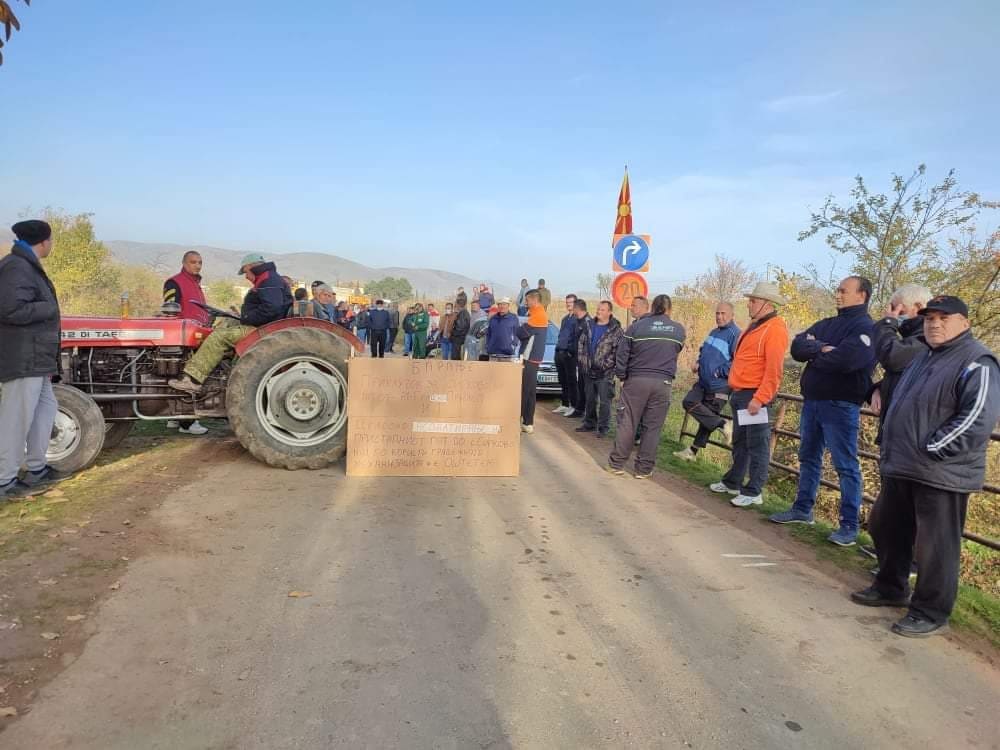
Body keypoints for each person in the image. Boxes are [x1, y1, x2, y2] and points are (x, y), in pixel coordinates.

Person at [852, 295, 999, 638]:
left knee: (935, 547)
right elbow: (902, 392)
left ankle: (931, 611)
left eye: (943, 318)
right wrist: (877, 390)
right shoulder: (924, 355)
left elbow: (977, 419)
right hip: (903, 464)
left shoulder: (978, 361)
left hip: (940, 471)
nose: (934, 324)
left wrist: (933, 448)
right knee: (886, 526)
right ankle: (891, 586)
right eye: (930, 318)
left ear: (964, 322)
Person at [770, 276, 876, 546]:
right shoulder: (827, 324)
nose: (838, 295)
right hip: (813, 401)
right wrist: (821, 348)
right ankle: (803, 509)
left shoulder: (866, 327)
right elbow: (797, 347)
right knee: (808, 456)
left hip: (841, 405)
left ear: (861, 296)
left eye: (844, 291)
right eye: (838, 290)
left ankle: (849, 525)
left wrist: (816, 351)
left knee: (845, 465)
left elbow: (848, 360)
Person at [1, 220, 66, 498]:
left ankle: (37, 467)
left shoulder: (26, 265)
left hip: (36, 357)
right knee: (17, 418)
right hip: (23, 357)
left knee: (44, 411)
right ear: (43, 241)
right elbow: (10, 310)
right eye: (51, 240)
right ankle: (5, 479)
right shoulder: (17, 267)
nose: (51, 244)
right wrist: (48, 307)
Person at [709, 282, 789, 506]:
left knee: (757, 444)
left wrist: (760, 398)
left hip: (754, 394)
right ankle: (733, 481)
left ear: (766, 304)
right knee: (741, 441)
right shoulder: (755, 326)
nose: (749, 304)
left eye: (753, 301)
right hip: (741, 392)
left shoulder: (774, 329)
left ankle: (754, 491)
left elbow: (774, 370)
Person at [169, 254, 291, 393]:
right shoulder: (268, 278)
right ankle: (216, 369)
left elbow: (272, 308)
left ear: (251, 267)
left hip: (263, 329)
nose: (246, 277)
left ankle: (193, 380)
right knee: (226, 322)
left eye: (245, 272)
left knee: (219, 337)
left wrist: (246, 317)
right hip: (263, 325)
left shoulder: (268, 280)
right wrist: (241, 316)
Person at [607, 294, 686, 479]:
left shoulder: (635, 327)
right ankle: (643, 469)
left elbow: (622, 354)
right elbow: (677, 349)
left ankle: (617, 464)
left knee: (628, 423)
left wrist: (622, 376)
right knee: (652, 427)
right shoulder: (678, 330)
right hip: (663, 383)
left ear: (652, 308)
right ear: (669, 309)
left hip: (636, 381)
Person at [674, 302, 740, 460]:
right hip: (704, 381)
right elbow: (704, 349)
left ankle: (692, 452)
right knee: (690, 403)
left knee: (707, 419)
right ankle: (722, 424)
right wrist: (698, 362)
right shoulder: (714, 332)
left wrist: (719, 372)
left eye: (723, 313)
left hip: (720, 386)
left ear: (732, 315)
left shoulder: (736, 334)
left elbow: (738, 361)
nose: (719, 316)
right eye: (717, 313)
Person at [868, 284, 932, 443]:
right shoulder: (912, 339)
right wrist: (878, 389)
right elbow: (904, 375)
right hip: (896, 434)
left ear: (918, 307)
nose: (895, 316)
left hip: (910, 438)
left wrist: (887, 323)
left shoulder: (927, 338)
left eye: (899, 311)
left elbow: (893, 358)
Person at [162, 251, 210, 436]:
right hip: (183, 338)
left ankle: (174, 418)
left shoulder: (196, 285)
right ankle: (187, 423)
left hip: (196, 335)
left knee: (182, 377)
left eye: (199, 262)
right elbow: (171, 310)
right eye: (193, 262)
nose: (197, 265)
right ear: (184, 263)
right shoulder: (174, 282)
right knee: (188, 378)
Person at [576, 300, 624, 438]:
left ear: (609, 312)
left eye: (602, 310)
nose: (599, 312)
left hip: (605, 373)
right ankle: (589, 423)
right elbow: (581, 344)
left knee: (605, 402)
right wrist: (584, 362)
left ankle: (603, 428)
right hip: (588, 370)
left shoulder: (616, 330)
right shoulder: (589, 325)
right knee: (590, 399)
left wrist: (604, 366)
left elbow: (617, 352)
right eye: (598, 309)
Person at [553, 294, 580, 415]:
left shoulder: (577, 319)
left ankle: (573, 405)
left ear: (576, 303)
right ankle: (564, 404)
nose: (569, 304)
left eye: (571, 302)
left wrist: (570, 351)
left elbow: (576, 338)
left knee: (571, 381)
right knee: (562, 380)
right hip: (559, 352)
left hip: (570, 354)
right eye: (567, 302)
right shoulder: (565, 319)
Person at [565, 299, 591, 419]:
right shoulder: (577, 321)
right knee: (580, 385)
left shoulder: (588, 322)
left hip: (585, 360)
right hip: (577, 358)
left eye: (573, 307)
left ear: (577, 308)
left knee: (585, 387)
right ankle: (579, 409)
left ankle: (585, 411)